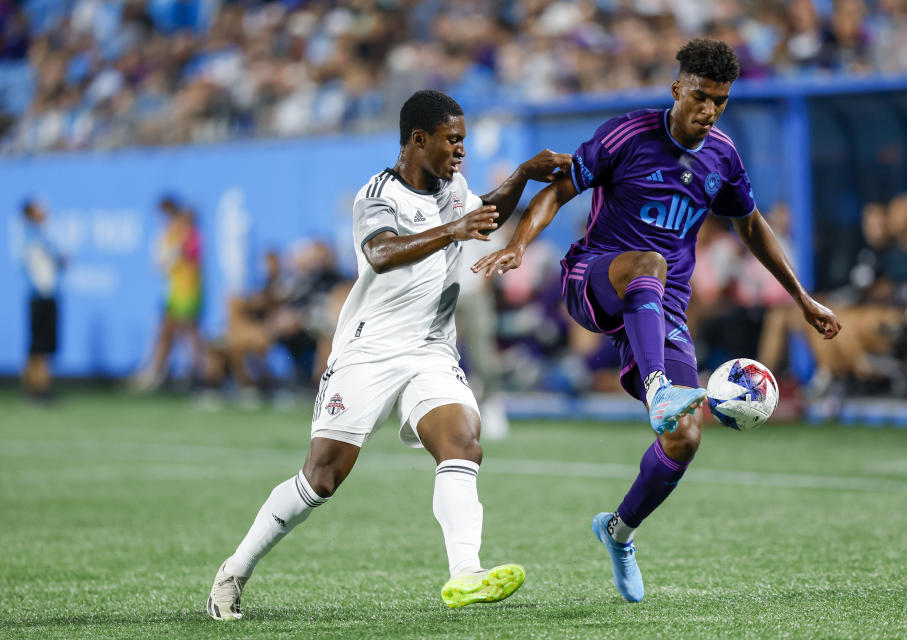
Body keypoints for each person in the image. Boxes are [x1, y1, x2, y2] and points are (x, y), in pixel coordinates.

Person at [473, 39, 841, 603]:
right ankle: (658, 387)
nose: (709, 110)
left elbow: (751, 226)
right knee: (649, 263)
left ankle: (619, 531)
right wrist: (521, 244)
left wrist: (801, 297)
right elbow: (559, 189)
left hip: (662, 305)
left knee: (685, 437)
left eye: (720, 101)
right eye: (700, 96)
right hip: (595, 277)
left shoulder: (723, 156)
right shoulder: (626, 135)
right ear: (677, 88)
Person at [206, 89, 571, 619]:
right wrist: (452, 229)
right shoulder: (376, 195)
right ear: (418, 140)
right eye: (453, 140)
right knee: (321, 478)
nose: (460, 150)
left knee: (462, 444)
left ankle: (465, 572)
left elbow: (485, 217)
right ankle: (234, 570)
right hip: (368, 352)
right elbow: (380, 253)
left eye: (464, 140)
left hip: (430, 351)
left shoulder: (455, 187)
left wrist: (521, 174)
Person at [132, 196, 204, 391]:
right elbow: (162, 264)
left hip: (188, 292)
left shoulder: (190, 234)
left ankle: (199, 378)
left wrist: (179, 246)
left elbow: (191, 257)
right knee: (167, 334)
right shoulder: (172, 233)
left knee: (189, 335)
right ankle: (158, 373)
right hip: (175, 292)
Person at [20, 198, 65, 401]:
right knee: (39, 344)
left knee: (43, 344)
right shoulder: (31, 237)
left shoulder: (42, 236)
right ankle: (36, 386)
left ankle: (39, 385)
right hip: (40, 296)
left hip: (46, 295)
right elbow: (39, 270)